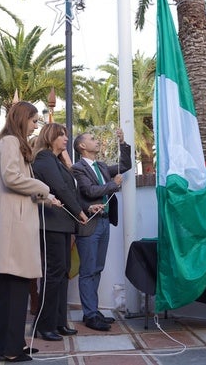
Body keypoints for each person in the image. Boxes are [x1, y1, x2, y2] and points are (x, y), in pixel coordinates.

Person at [0, 101, 60, 363]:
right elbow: (13, 178)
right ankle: (10, 349)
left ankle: (8, 344)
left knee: (13, 289)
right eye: (34, 120)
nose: (36, 125)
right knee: (14, 288)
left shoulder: (11, 143)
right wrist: (44, 188)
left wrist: (45, 198)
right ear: (22, 118)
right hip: (13, 225)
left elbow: (18, 185)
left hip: (17, 221)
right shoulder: (11, 142)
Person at [32, 123, 94, 341]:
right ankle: (43, 324)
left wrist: (86, 208)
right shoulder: (44, 158)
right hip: (50, 224)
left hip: (63, 224)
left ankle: (58, 322)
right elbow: (59, 188)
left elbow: (70, 191)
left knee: (63, 272)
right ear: (50, 137)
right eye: (61, 135)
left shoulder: (57, 161)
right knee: (53, 274)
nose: (66, 139)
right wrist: (79, 212)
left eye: (67, 135)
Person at [72, 128, 132, 331]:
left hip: (105, 222)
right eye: (92, 139)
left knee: (97, 269)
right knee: (88, 271)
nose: (97, 141)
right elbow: (89, 191)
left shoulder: (102, 166)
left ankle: (94, 311)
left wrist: (123, 143)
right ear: (82, 146)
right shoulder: (78, 168)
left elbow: (125, 165)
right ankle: (89, 315)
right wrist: (112, 185)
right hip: (89, 225)